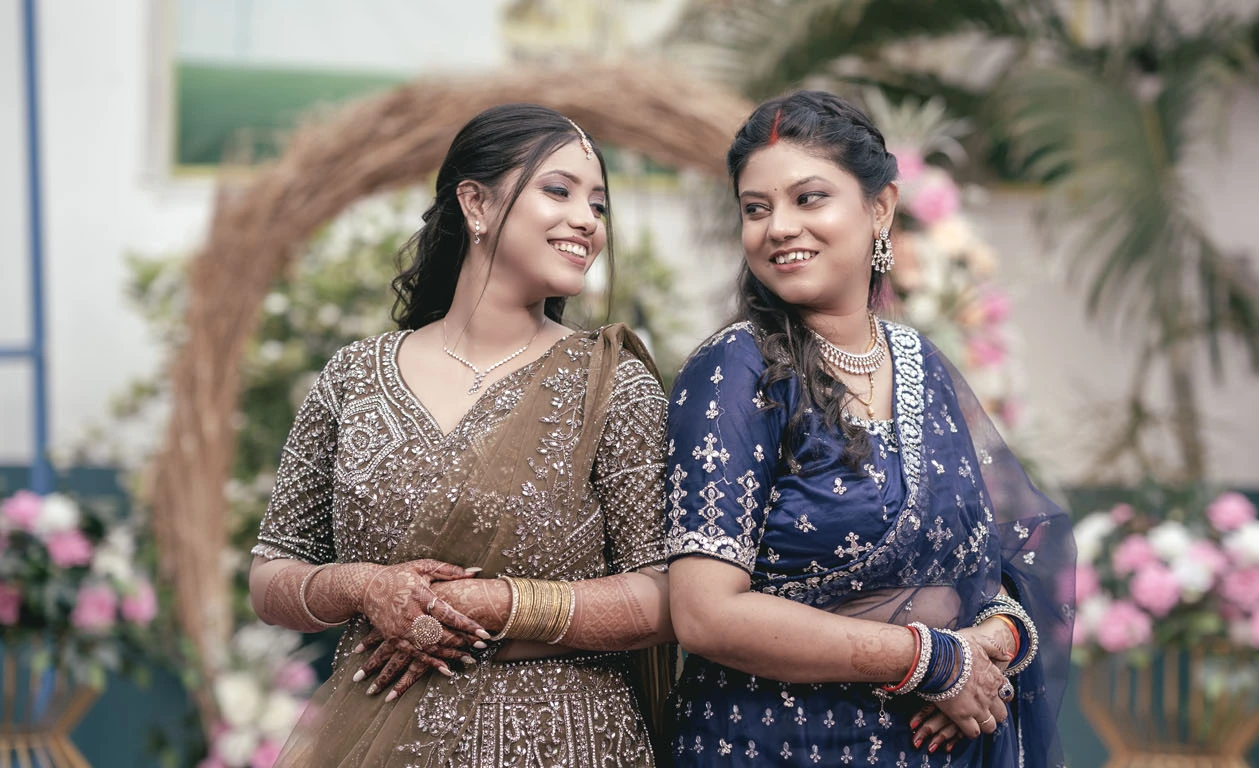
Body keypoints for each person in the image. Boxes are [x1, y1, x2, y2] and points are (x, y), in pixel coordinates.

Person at [248, 103, 676, 767]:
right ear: (475, 203)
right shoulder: (354, 379)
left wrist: (497, 604)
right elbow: (272, 573)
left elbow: (665, 594)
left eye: (599, 205)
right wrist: (363, 588)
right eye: (558, 191)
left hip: (567, 741)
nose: (587, 221)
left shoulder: (612, 387)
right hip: (377, 739)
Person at [665, 91, 1074, 767]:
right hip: (773, 747)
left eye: (809, 198)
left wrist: (991, 646)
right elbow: (707, 615)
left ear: (879, 208)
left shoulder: (923, 367)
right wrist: (934, 660)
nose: (778, 227)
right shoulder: (736, 369)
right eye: (755, 209)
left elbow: (994, 569)